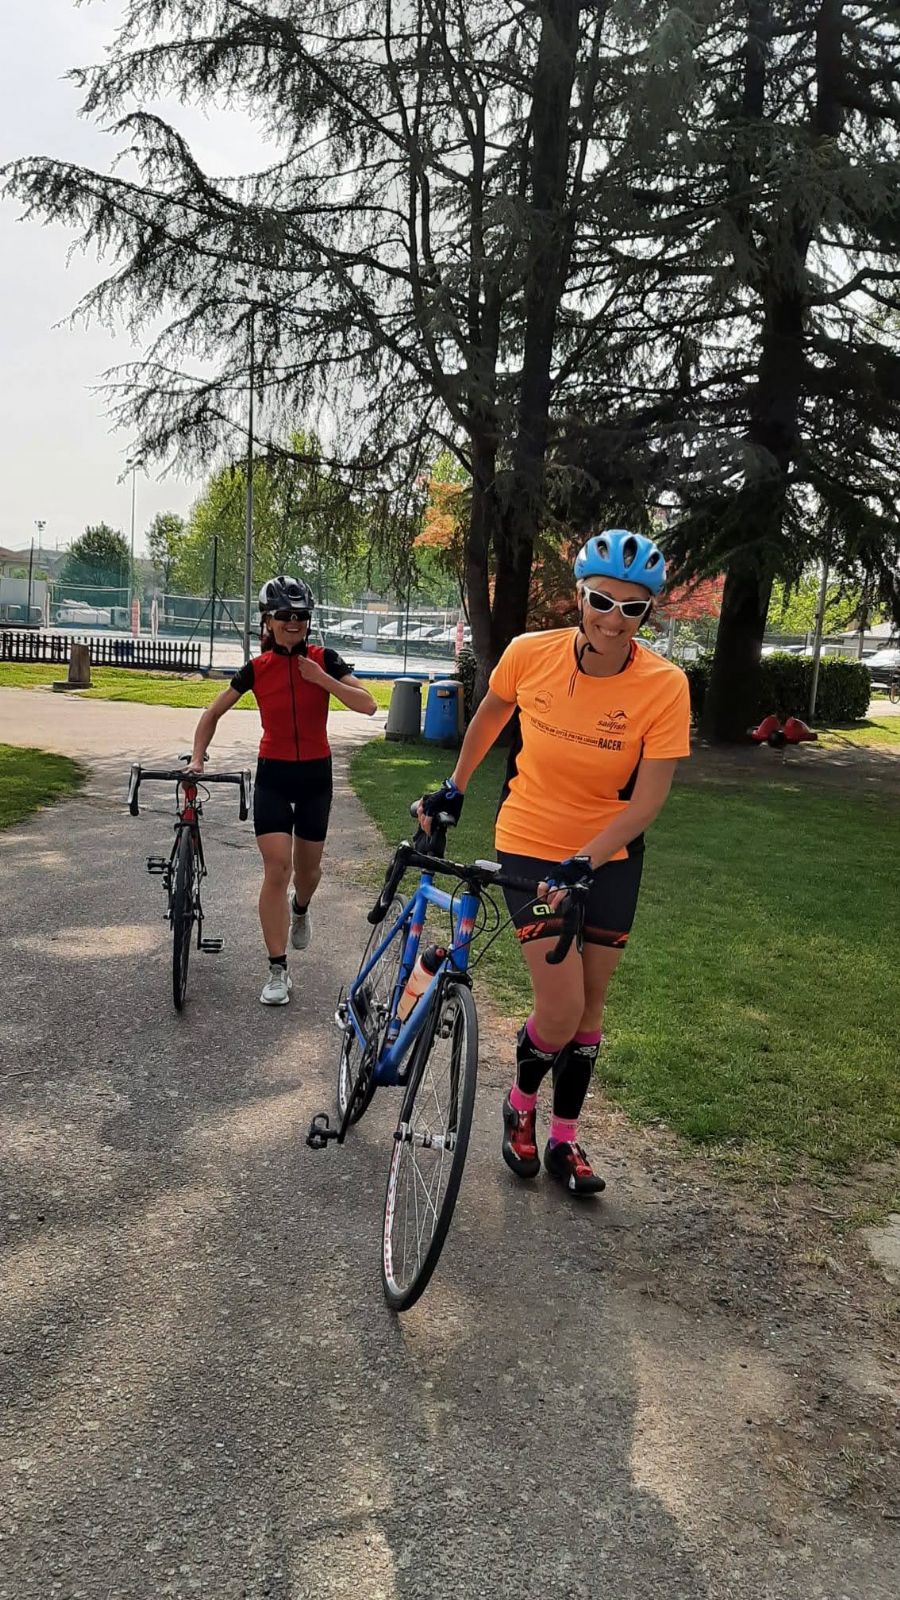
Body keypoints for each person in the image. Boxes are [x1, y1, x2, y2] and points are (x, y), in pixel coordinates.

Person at [416, 529, 691, 1195]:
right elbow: (489, 717)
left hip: (611, 853)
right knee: (561, 1008)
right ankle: (519, 1104)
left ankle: (565, 1138)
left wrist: (587, 859)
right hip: (532, 840)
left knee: (590, 1012)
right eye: (602, 601)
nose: (614, 620)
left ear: (648, 612)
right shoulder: (529, 654)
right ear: (580, 595)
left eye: (633, 608)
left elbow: (648, 800)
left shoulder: (665, 685)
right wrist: (455, 785)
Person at [189, 576, 377, 1004]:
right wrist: (198, 758)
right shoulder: (257, 668)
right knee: (278, 869)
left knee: (308, 873)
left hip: (315, 777)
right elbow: (212, 712)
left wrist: (322, 679)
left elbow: (368, 705)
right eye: (285, 615)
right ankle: (277, 970)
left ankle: (301, 908)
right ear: (268, 621)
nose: (294, 622)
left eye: (301, 616)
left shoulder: (324, 659)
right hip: (273, 775)